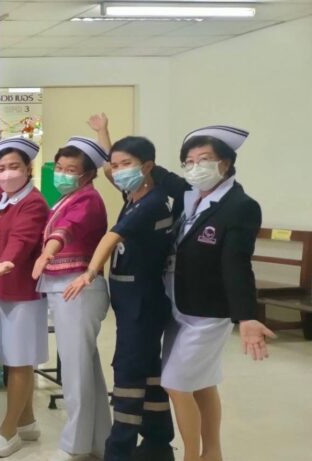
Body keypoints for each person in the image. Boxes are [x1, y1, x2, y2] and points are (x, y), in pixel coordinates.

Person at [161, 126, 273, 461]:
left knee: (176, 383)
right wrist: (106, 138)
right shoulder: (190, 195)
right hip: (178, 306)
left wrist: (247, 316)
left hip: (208, 313)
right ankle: (213, 453)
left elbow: (236, 264)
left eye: (204, 159)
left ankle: (191, 457)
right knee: (201, 382)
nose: (195, 167)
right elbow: (142, 166)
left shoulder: (240, 206)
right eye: (189, 161)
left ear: (225, 163)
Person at [63, 136, 178, 461]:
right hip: (129, 301)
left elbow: (112, 236)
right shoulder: (134, 194)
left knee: (128, 371)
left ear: (148, 166)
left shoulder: (154, 202)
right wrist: (104, 135)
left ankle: (119, 451)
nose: (117, 171)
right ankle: (158, 442)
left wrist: (89, 271)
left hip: (144, 300)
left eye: (126, 164)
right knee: (148, 369)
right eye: (115, 165)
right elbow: (108, 170)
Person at [30, 137, 112, 461]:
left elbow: (66, 230)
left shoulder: (88, 200)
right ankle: (100, 441)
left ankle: (74, 445)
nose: (62, 174)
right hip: (64, 288)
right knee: (85, 368)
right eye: (60, 167)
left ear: (88, 174)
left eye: (71, 169)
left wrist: (46, 254)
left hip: (77, 290)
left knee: (76, 373)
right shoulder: (67, 198)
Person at [0, 137, 49, 458]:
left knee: (20, 360)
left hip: (22, 291)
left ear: (28, 169)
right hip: (2, 289)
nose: (6, 173)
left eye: (14, 167)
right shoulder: (5, 199)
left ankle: (9, 431)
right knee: (13, 357)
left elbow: (22, 238)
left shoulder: (32, 202)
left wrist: (7, 262)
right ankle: (27, 421)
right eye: (1, 168)